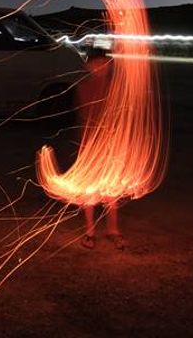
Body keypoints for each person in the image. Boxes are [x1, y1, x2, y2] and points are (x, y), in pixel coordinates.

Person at [75, 45, 125, 250]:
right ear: (88, 66)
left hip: (111, 145)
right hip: (91, 145)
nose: (101, 67)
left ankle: (112, 229)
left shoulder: (115, 88)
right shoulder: (84, 86)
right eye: (97, 64)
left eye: (105, 63)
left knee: (111, 190)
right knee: (90, 190)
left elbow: (121, 113)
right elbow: (86, 114)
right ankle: (90, 231)